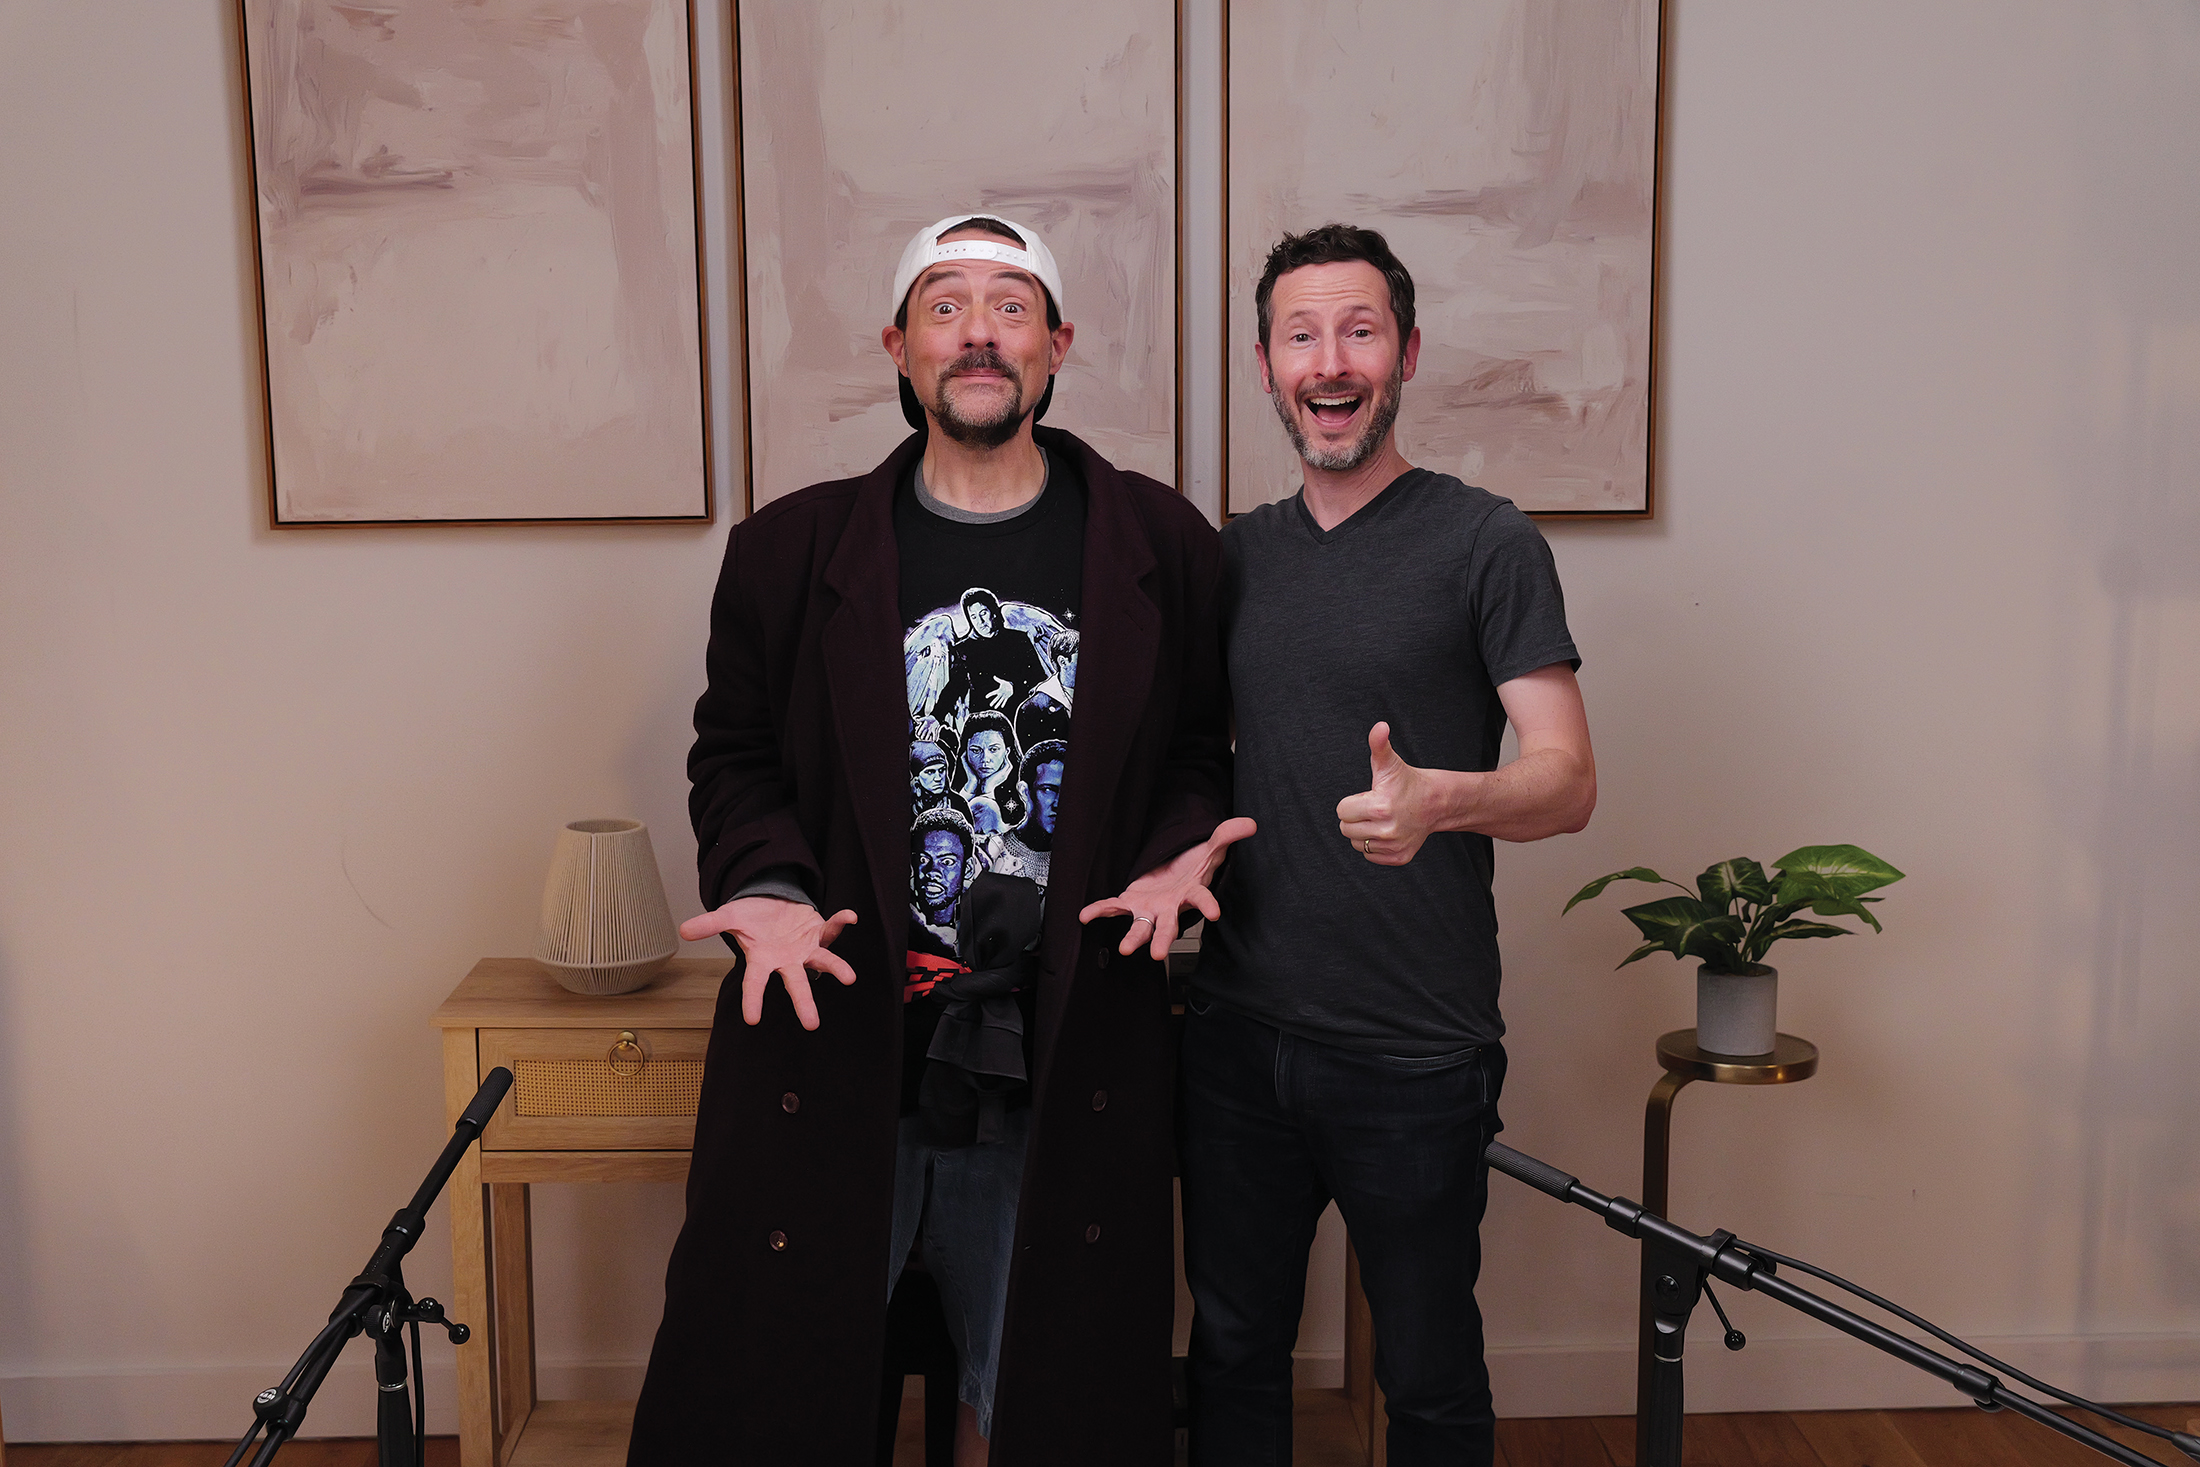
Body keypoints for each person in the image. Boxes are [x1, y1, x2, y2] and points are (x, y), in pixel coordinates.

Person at [628, 212, 1252, 1467]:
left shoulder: (1162, 544)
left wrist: (1178, 850)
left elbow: (1196, 749)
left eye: (1010, 306)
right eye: (947, 305)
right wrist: (768, 885)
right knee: (780, 1392)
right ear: (899, 348)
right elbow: (734, 756)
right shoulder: (787, 551)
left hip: (1060, 1044)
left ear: (1057, 345)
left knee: (1033, 1400)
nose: (979, 332)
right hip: (842, 1033)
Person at [1181, 223, 1597, 1466]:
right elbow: (1184, 764)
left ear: (1406, 353)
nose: (1330, 361)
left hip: (1415, 1047)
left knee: (1427, 1372)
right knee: (1231, 1352)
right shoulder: (1232, 558)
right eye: (1300, 335)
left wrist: (1440, 803)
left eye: (1358, 331)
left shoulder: (1485, 542)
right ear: (1266, 366)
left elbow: (1567, 781)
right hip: (1237, 1034)